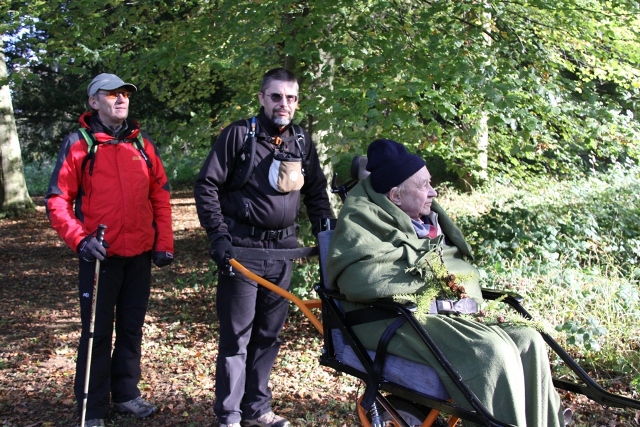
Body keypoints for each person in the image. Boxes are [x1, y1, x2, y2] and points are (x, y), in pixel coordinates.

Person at [326, 138, 566, 427]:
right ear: (396, 196)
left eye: (430, 183)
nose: (433, 192)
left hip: (442, 309)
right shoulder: (362, 219)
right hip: (387, 317)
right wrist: (423, 269)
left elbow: (453, 265)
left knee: (529, 340)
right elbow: (361, 279)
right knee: (490, 351)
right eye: (424, 186)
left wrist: (441, 280)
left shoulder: (429, 221)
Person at [194, 68, 333, 427]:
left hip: (284, 254)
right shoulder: (238, 135)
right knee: (236, 339)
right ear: (261, 98)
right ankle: (229, 415)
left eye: (290, 97)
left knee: (268, 336)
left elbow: (316, 191)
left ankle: (258, 409)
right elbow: (206, 186)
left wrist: (326, 234)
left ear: (297, 102)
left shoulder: (301, 140)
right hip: (242, 253)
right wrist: (219, 237)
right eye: (275, 96)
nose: (283, 104)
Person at [45, 73, 174, 427]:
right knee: (96, 332)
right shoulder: (80, 143)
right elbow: (57, 200)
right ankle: (92, 407)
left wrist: (163, 243)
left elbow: (160, 196)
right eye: (112, 94)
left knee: (131, 329)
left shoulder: (142, 146)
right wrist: (80, 239)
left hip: (140, 256)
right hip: (100, 258)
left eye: (125, 95)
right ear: (93, 102)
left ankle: (127, 394)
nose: (121, 100)